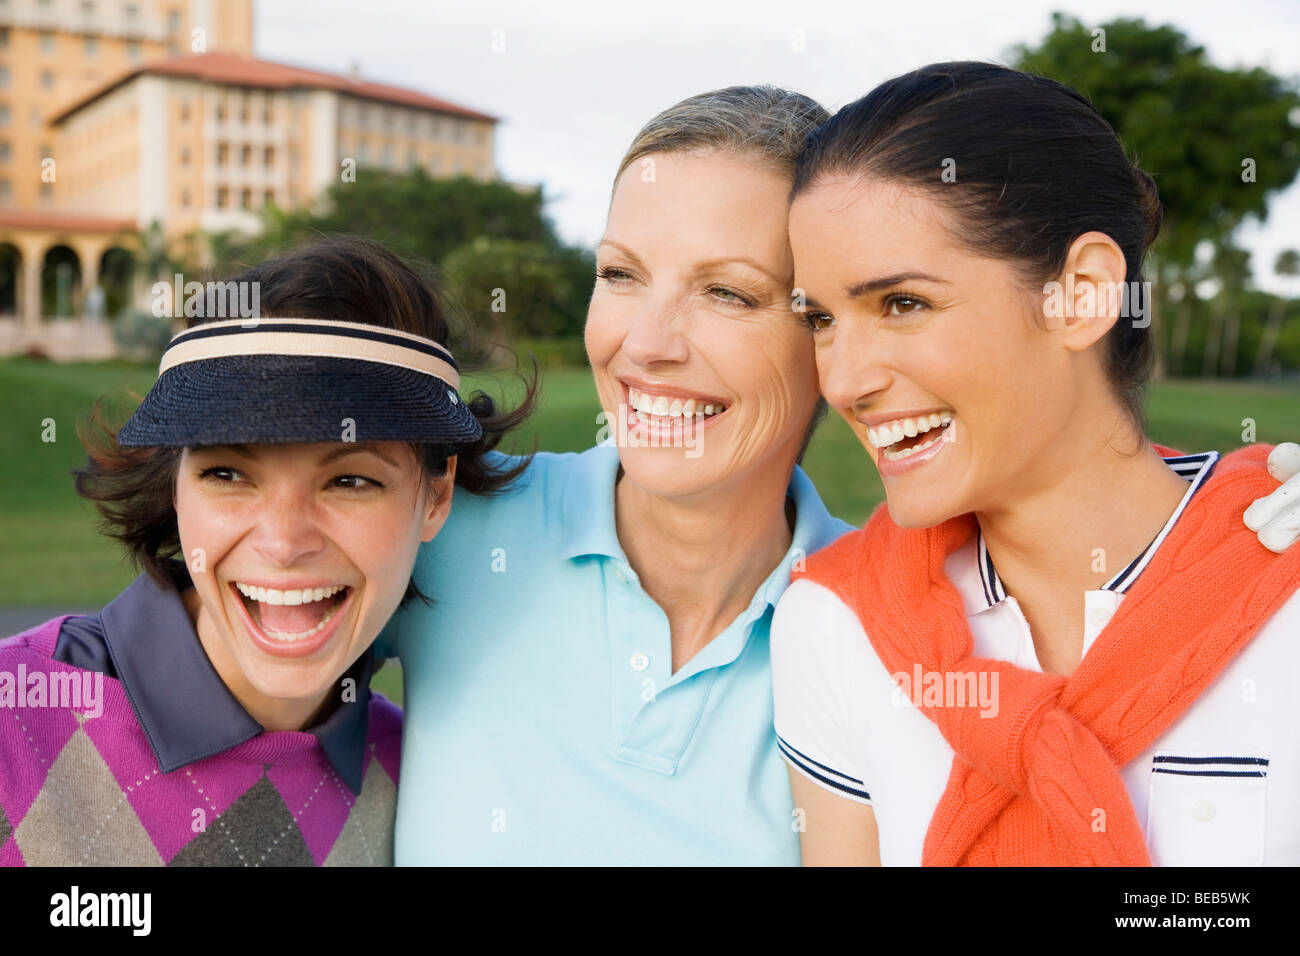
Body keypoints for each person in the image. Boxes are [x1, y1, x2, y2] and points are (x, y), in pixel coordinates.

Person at [377, 85, 1297, 865]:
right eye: (619, 274)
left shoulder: (839, 621)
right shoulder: (448, 522)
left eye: (730, 293)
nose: (644, 346)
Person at [774, 61, 1300, 866]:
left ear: (1083, 293)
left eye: (902, 304)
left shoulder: (1282, 581)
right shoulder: (834, 625)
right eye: (820, 319)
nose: (842, 382)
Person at [0, 236, 531, 866]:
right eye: (227, 474)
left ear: (436, 495)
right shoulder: (16, 716)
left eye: (350, 481)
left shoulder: (418, 782)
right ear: (175, 484)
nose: (282, 544)